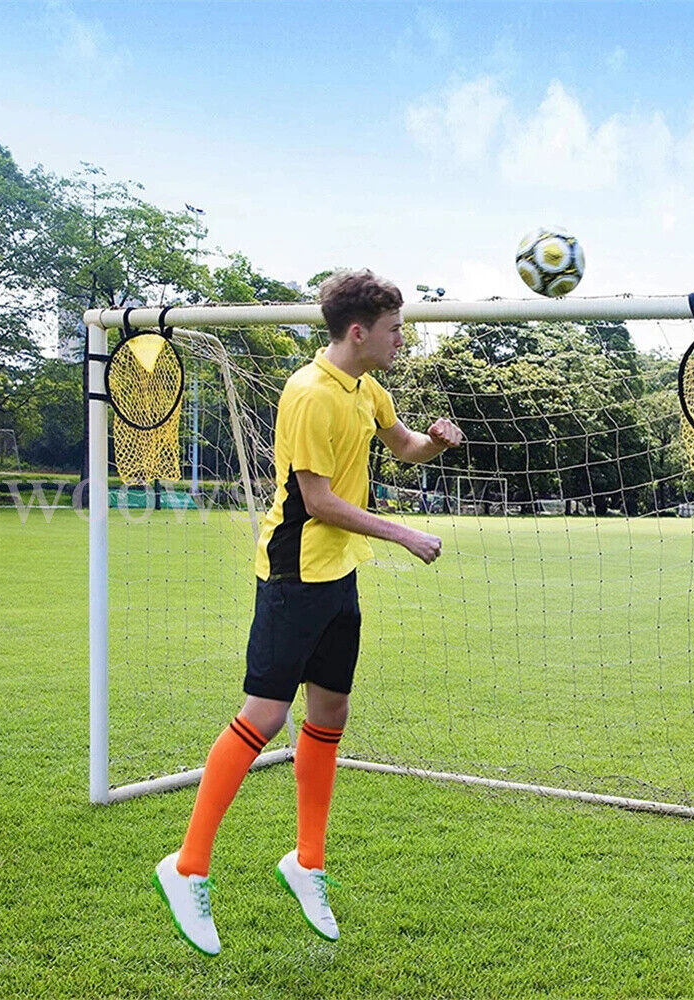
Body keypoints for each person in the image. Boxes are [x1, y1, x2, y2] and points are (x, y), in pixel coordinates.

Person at [153, 270, 463, 954]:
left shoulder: (367, 388)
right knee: (265, 717)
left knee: (331, 713)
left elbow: (404, 445)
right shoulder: (308, 394)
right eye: (394, 330)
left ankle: (307, 863)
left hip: (337, 577)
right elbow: (318, 502)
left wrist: (436, 441)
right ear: (358, 331)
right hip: (293, 574)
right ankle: (187, 866)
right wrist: (404, 534)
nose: (401, 339)